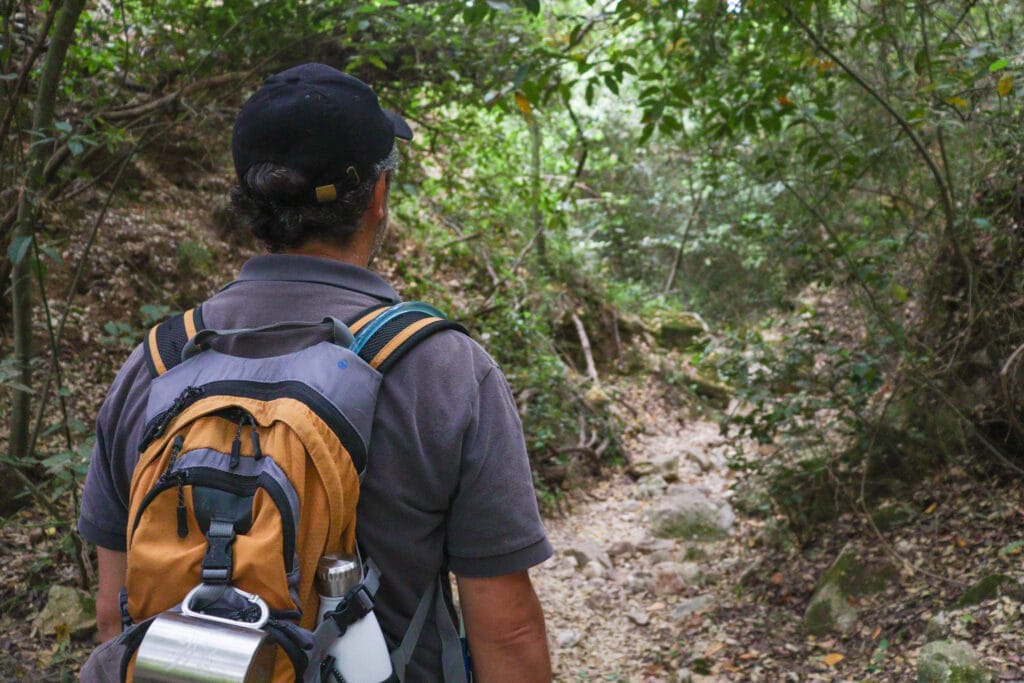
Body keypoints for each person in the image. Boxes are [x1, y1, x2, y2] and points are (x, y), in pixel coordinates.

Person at [77, 62, 553, 682]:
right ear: (377, 198)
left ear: (247, 203)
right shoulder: (443, 369)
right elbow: (508, 631)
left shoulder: (158, 363)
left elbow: (117, 621)